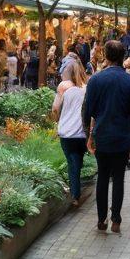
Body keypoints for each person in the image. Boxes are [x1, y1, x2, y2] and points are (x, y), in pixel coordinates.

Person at [82, 40, 130, 234]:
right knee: (118, 178)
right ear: (123, 56)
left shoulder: (96, 80)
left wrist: (87, 134)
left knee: (102, 177)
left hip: (102, 135)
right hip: (122, 136)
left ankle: (101, 219)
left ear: (106, 56)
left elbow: (87, 110)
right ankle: (116, 218)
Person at [52, 55, 88, 208]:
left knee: (71, 162)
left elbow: (55, 108)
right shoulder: (87, 88)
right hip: (81, 133)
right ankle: (76, 190)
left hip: (66, 132)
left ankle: (75, 195)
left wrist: (57, 119)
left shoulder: (63, 87)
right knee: (77, 161)